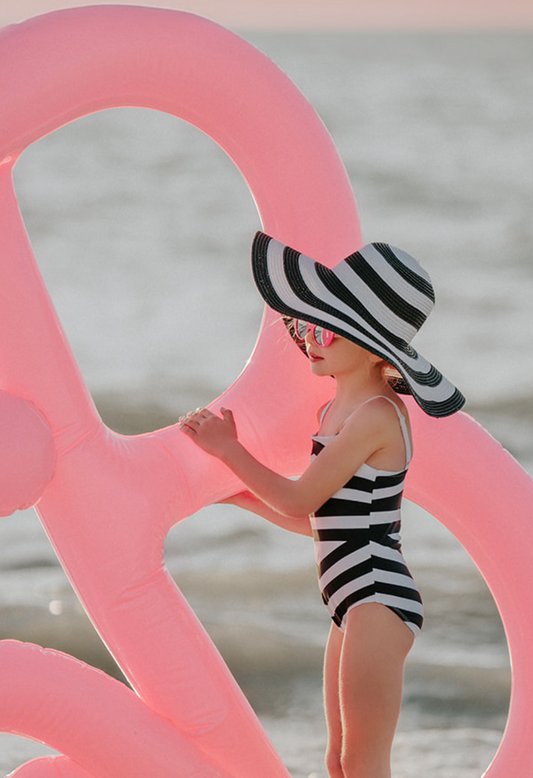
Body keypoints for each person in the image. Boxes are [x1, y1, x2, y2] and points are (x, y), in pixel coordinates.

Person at [179, 231, 465, 778]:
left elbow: (299, 495)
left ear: (369, 342)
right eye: (306, 325)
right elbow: (318, 522)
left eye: (325, 328)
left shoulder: (375, 417)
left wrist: (229, 451)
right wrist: (232, 494)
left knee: (363, 762)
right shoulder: (336, 412)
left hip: (378, 595)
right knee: (336, 761)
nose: (310, 338)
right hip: (350, 595)